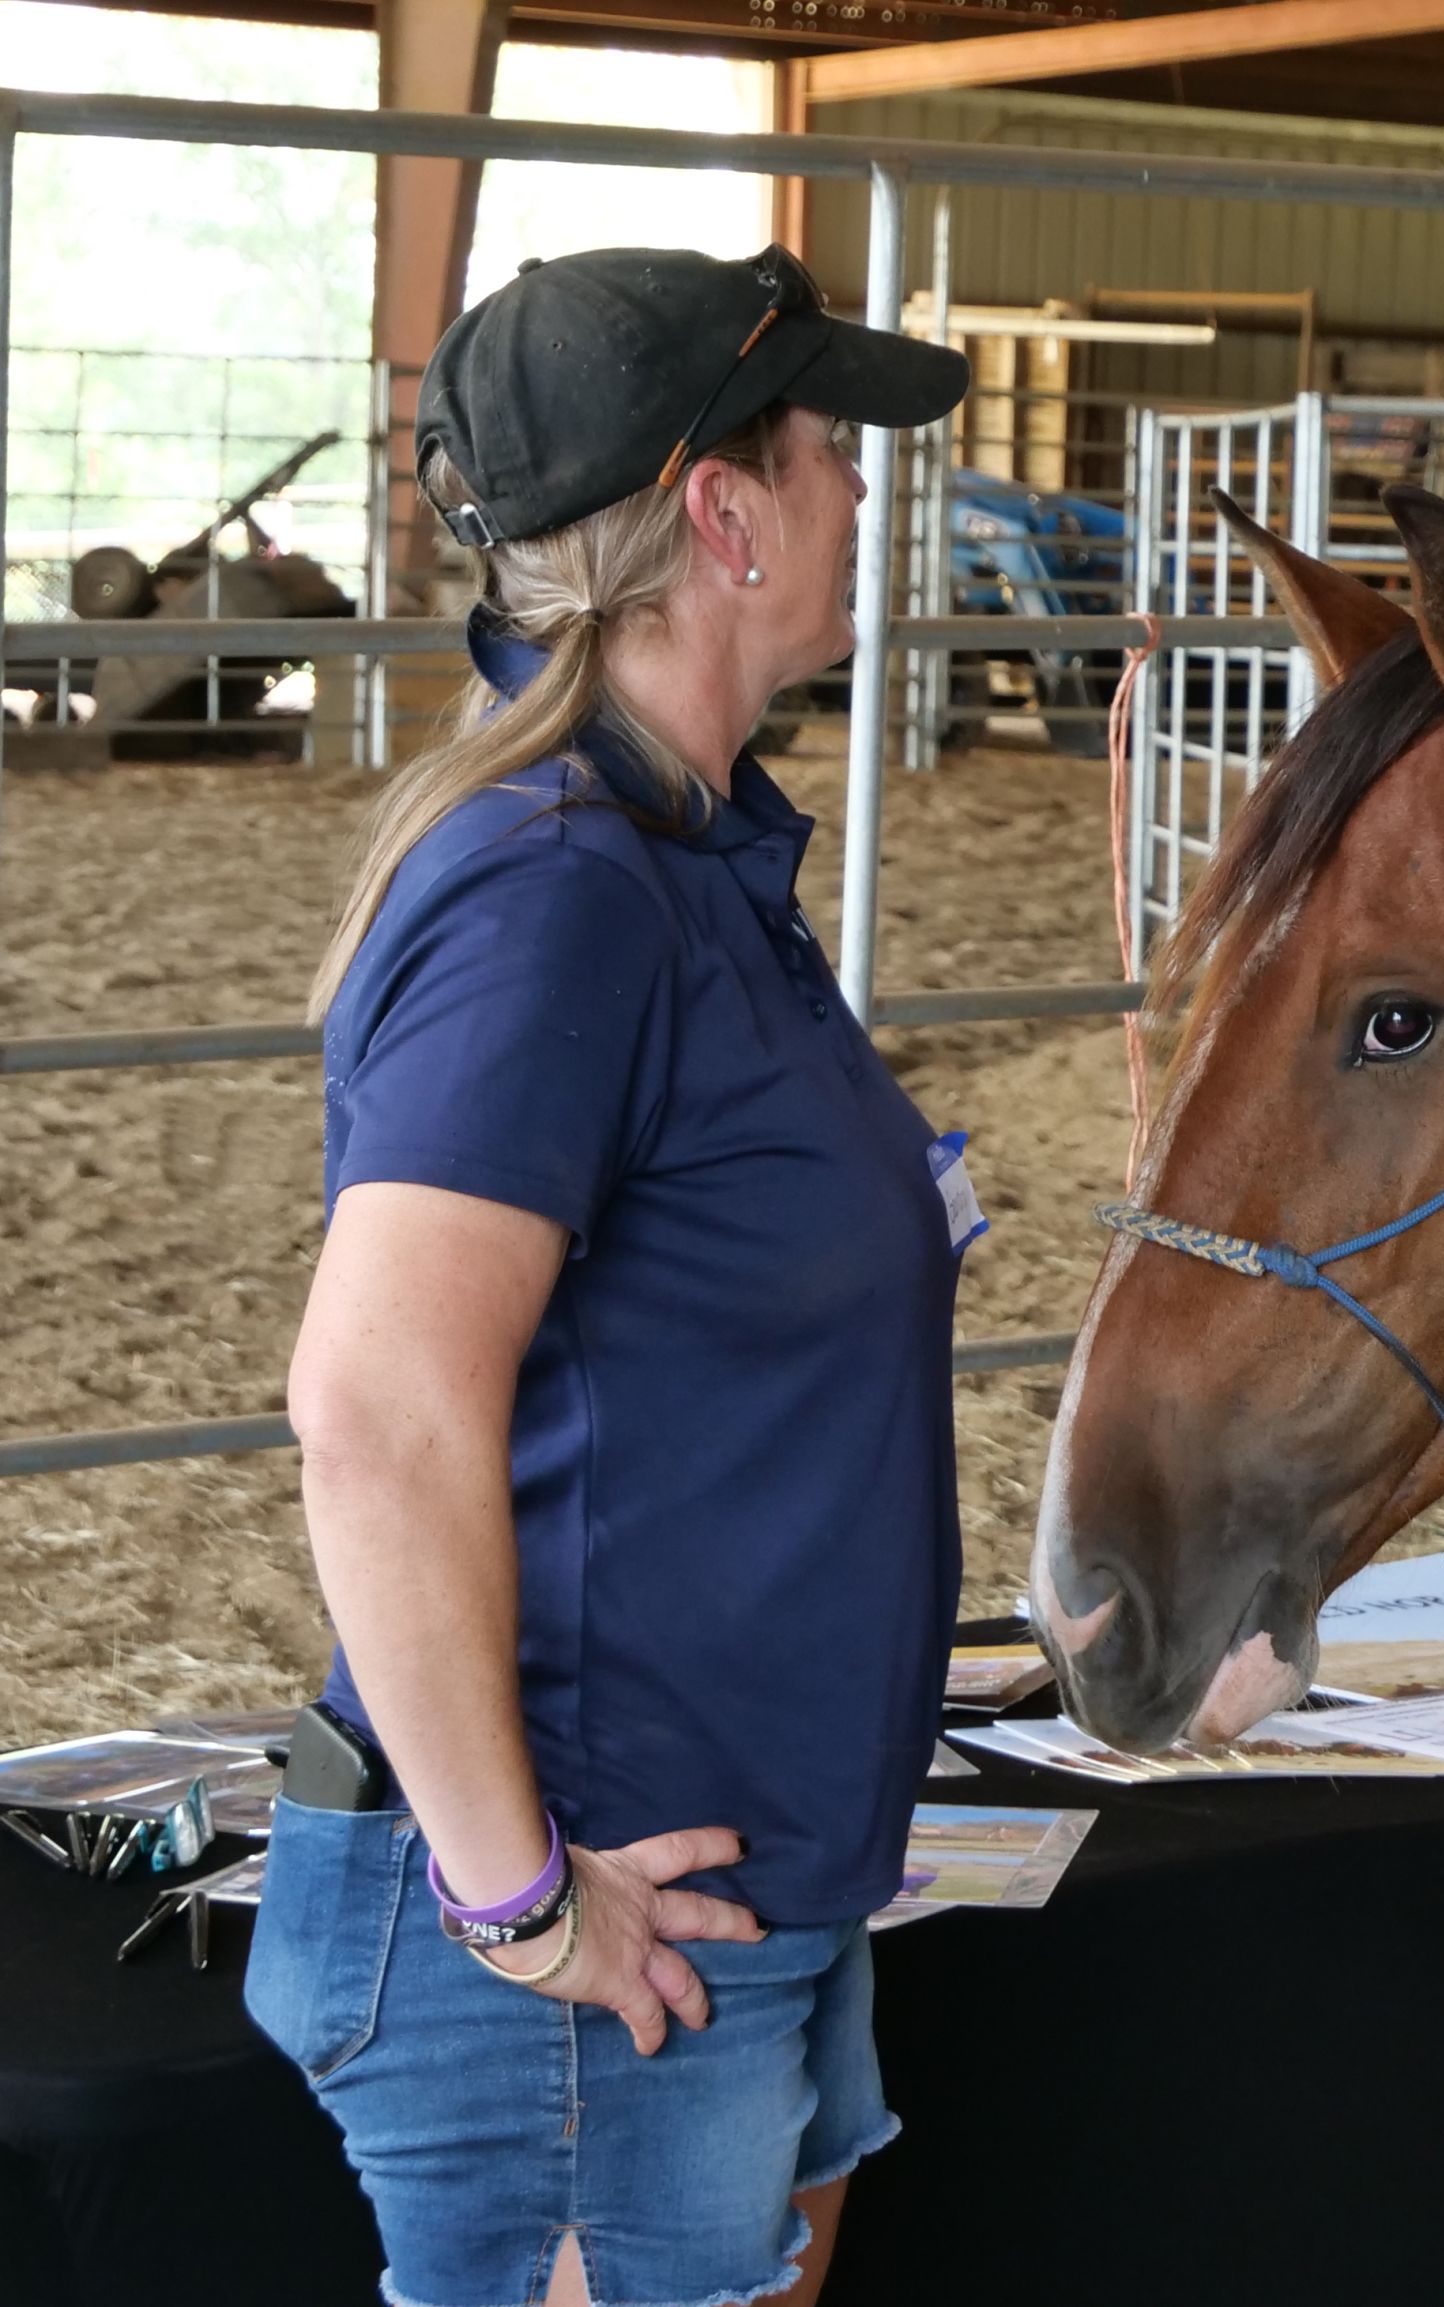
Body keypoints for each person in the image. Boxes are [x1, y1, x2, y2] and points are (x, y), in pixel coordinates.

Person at [250, 245, 970, 2307]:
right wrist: (516, 1898)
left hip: (722, 1893)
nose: (856, 491)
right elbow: (377, 1408)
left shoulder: (679, 853)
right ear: (723, 512)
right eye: (829, 448)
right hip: (595, 1944)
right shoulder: (564, 888)